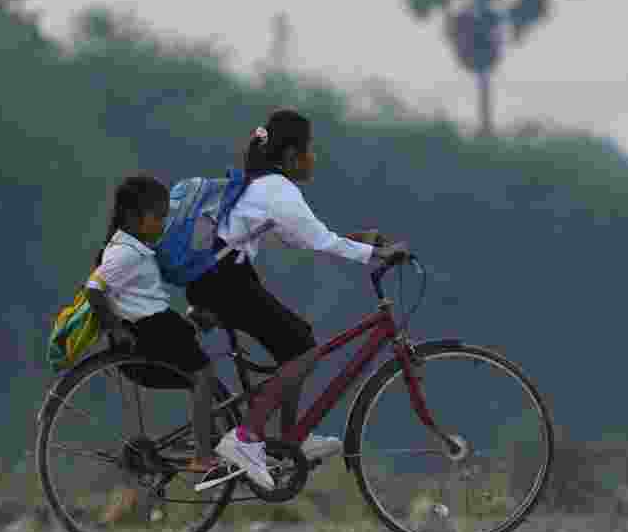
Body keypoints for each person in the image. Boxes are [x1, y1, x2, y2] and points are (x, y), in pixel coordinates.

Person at [186, 108, 408, 491]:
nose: (313, 158)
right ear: (291, 156)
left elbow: (300, 236)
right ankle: (246, 437)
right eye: (310, 150)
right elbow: (318, 240)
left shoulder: (266, 185)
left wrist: (359, 241)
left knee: (299, 341)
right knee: (305, 353)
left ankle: (291, 440)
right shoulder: (277, 188)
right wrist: (376, 255)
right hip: (224, 281)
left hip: (222, 276)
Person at [85, 175, 225, 476]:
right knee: (203, 377)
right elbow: (94, 289)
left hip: (157, 327)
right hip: (148, 334)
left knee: (201, 376)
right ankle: (203, 453)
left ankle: (210, 437)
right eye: (158, 217)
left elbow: (142, 298)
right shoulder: (124, 253)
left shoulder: (135, 247)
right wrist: (115, 328)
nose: (163, 224)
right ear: (133, 217)